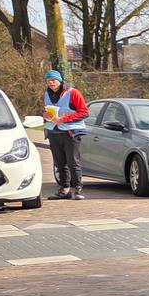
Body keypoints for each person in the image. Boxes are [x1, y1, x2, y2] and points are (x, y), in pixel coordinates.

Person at [42, 70, 89, 199]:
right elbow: (46, 111)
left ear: (60, 80)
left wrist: (64, 119)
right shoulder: (46, 93)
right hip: (53, 131)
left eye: (54, 80)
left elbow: (84, 112)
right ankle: (64, 189)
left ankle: (78, 189)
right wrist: (45, 116)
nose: (51, 83)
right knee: (59, 163)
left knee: (73, 162)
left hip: (71, 132)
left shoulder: (73, 93)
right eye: (48, 80)